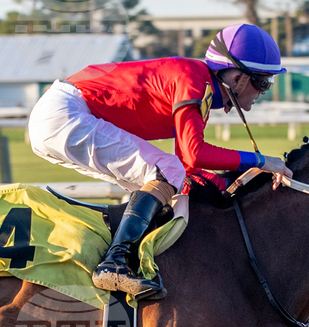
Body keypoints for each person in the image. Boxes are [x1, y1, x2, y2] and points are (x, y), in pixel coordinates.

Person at [28, 23, 293, 300]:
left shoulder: (200, 89)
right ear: (238, 78)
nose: (264, 91)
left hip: (61, 115)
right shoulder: (194, 80)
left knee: (167, 178)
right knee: (166, 170)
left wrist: (231, 183)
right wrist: (261, 161)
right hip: (65, 113)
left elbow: (187, 168)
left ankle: (127, 256)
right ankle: (114, 263)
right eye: (263, 82)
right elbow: (194, 154)